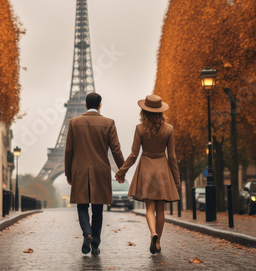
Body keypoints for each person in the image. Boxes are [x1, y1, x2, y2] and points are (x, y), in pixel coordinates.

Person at [115, 94, 180, 254]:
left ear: (144, 112)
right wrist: (176, 177)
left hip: (146, 169)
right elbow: (171, 156)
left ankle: (153, 233)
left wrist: (121, 171)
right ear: (160, 111)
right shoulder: (169, 129)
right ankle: (158, 243)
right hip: (163, 170)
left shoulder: (140, 128)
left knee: (149, 208)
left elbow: (133, 155)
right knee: (161, 210)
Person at [65, 92, 125, 255]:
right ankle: (96, 243)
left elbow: (69, 150)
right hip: (100, 170)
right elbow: (116, 149)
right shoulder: (108, 123)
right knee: (98, 208)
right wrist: (122, 170)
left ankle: (87, 233)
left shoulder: (74, 123)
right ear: (100, 105)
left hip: (80, 169)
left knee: (82, 205)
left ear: (85, 105)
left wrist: (68, 172)